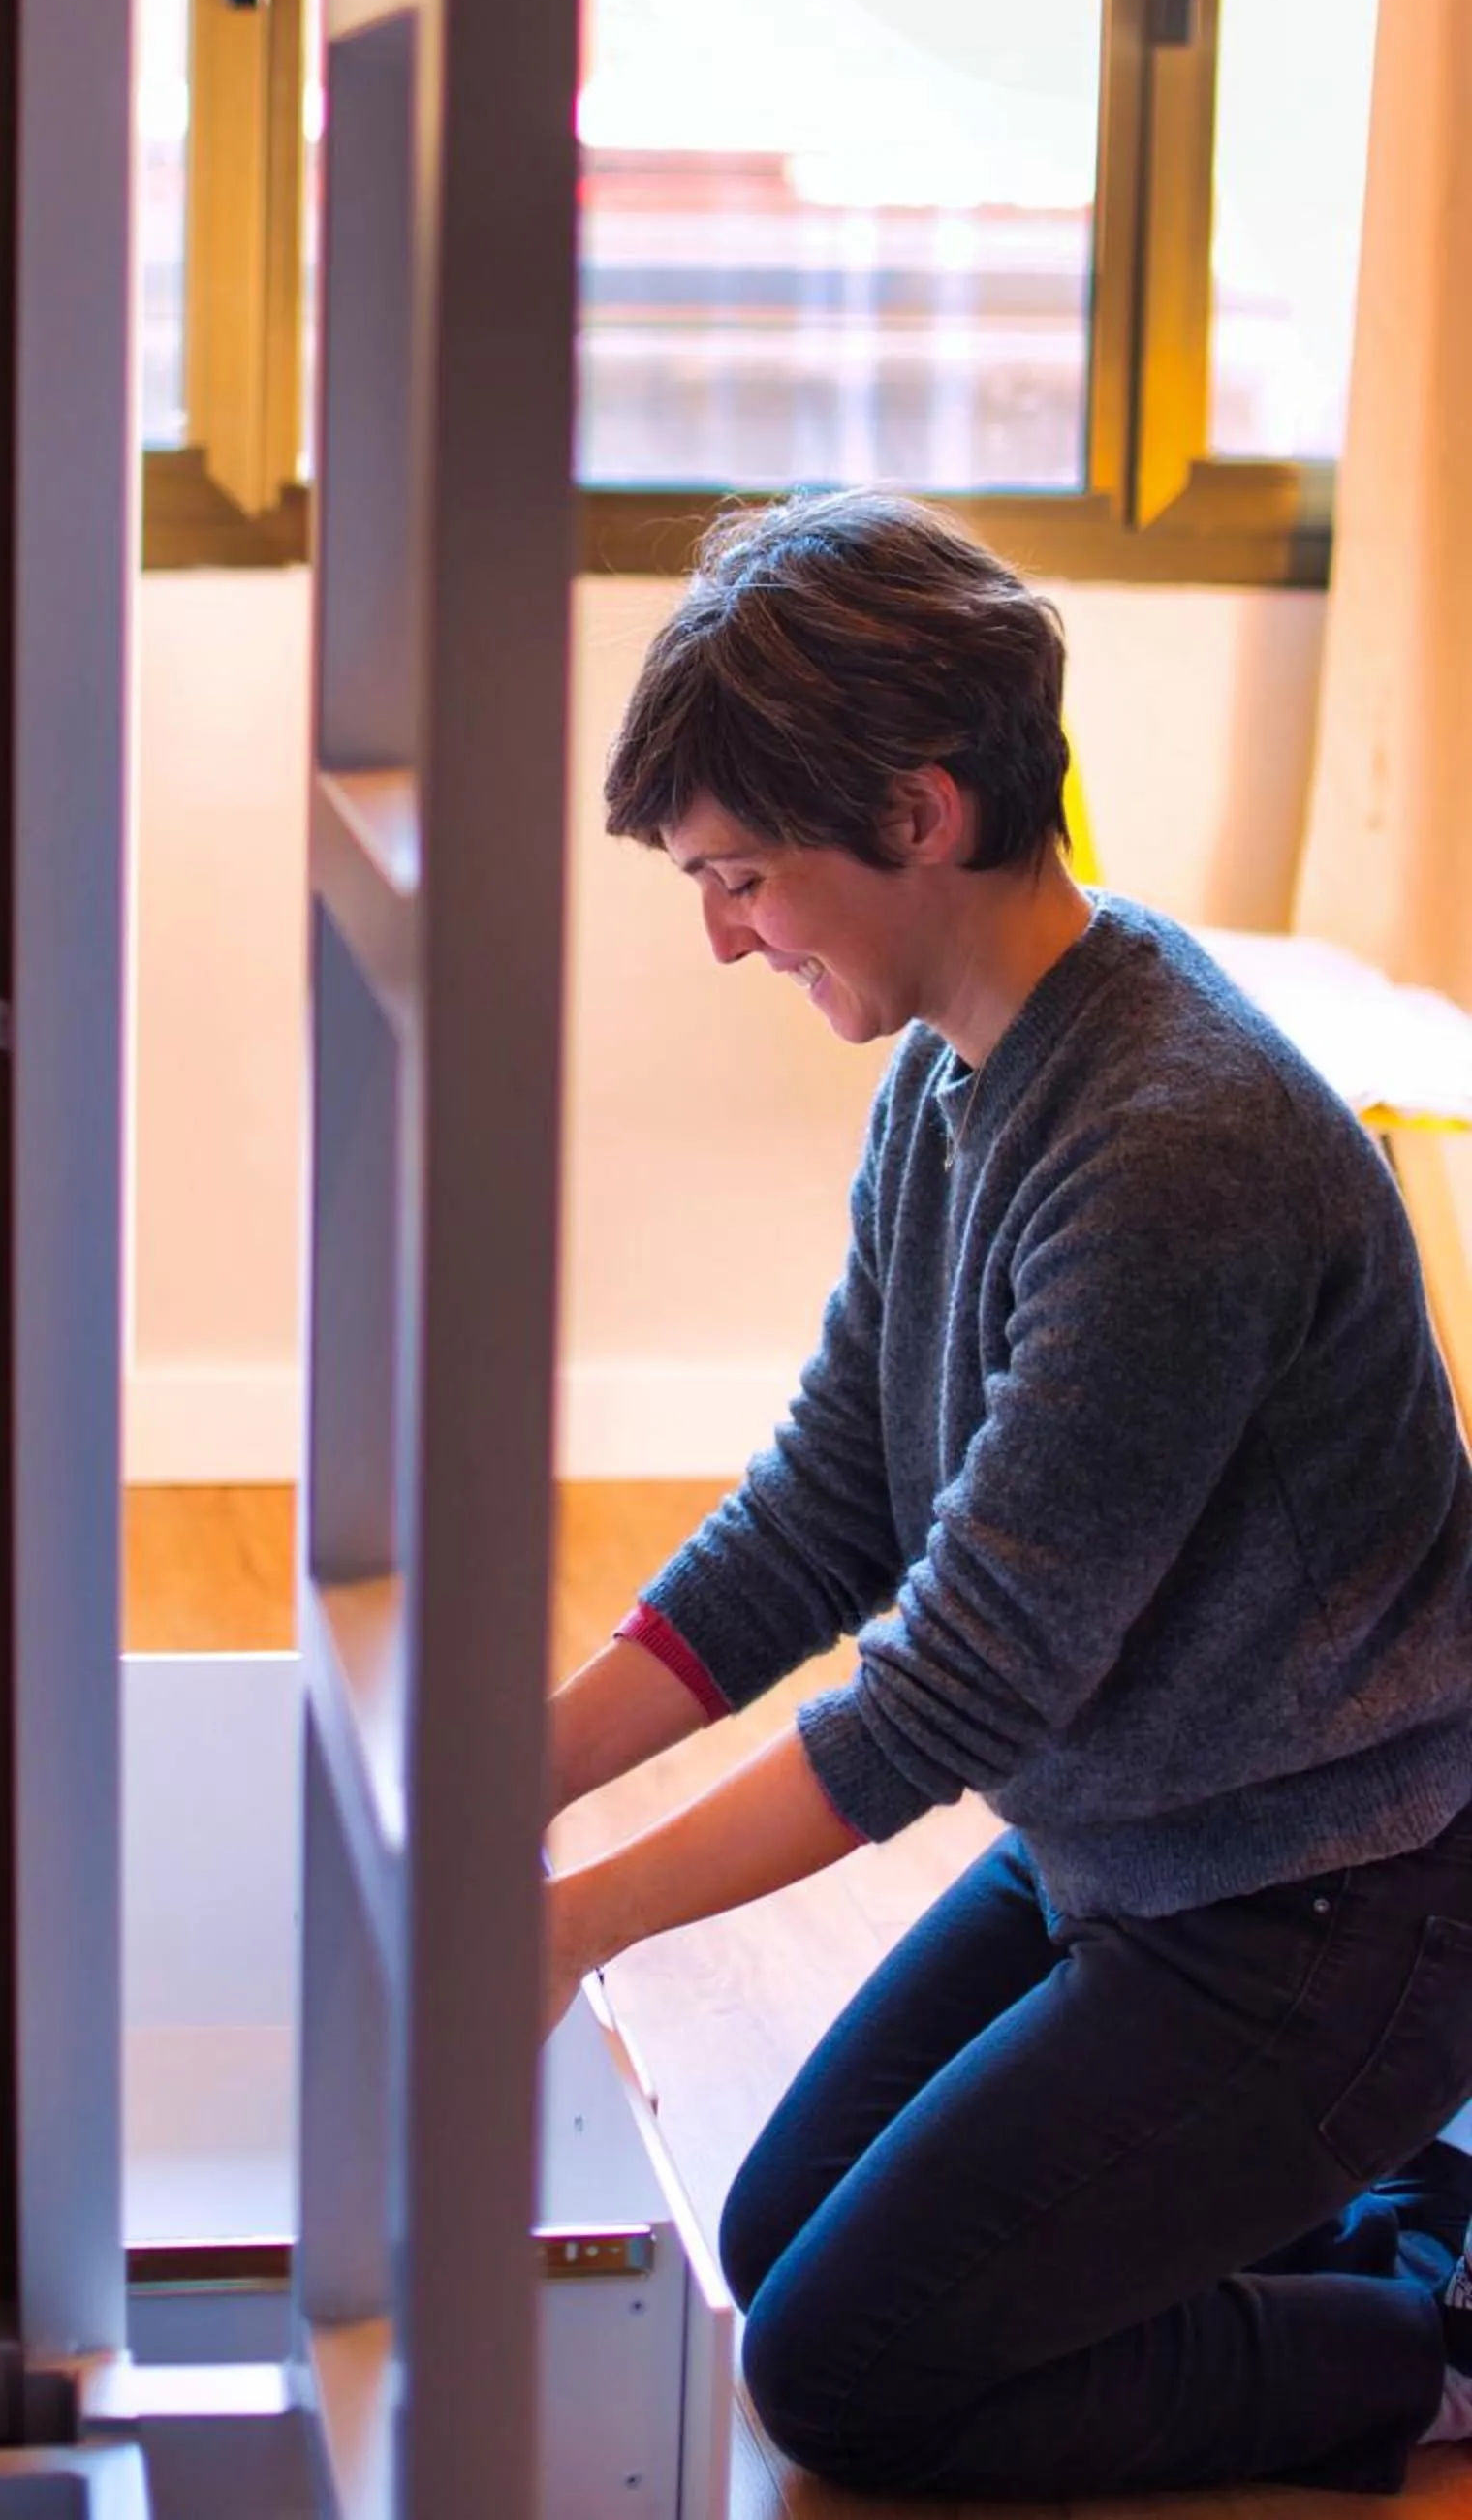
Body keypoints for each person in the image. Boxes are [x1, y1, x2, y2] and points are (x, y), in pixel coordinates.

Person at [543, 488, 1472, 2498]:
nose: (721, 936)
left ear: (916, 815)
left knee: (850, 2379)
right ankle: (1328, 2211)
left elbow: (952, 1692)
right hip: (1127, 1853)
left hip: (1321, 1911)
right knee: (793, 2255)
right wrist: (514, 1779)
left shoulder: (1170, 1155)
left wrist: (566, 1926)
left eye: (741, 875)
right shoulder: (954, 1077)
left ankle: (1427, 2342)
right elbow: (830, 1508)